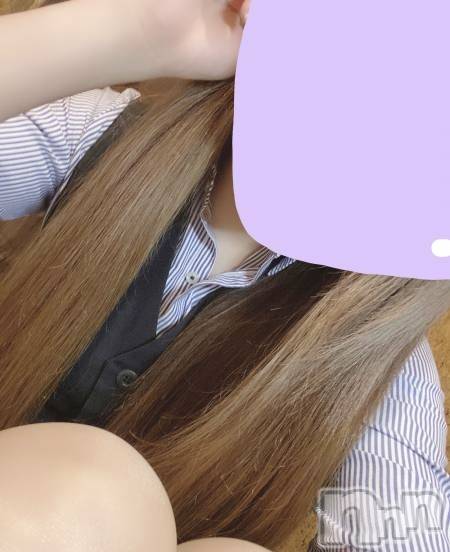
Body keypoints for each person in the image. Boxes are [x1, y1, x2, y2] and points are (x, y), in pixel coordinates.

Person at [0, 1, 449, 550]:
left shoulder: (380, 362)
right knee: (95, 495)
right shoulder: (100, 134)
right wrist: (136, 29)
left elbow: (403, 529)